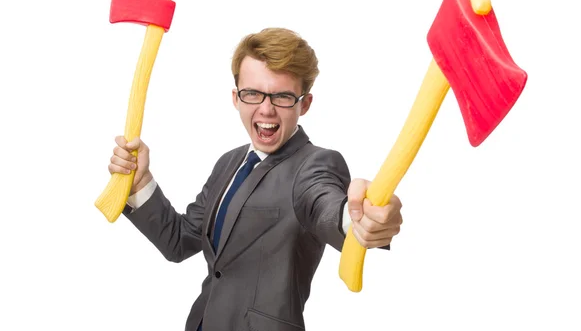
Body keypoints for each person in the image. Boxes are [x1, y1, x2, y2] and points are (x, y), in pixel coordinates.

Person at [108, 27, 403, 331]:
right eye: (253, 94)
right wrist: (141, 182)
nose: (266, 109)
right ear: (236, 97)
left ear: (304, 104)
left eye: (283, 97)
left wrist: (360, 218)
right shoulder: (229, 163)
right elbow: (179, 241)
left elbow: (326, 207)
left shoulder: (315, 165)